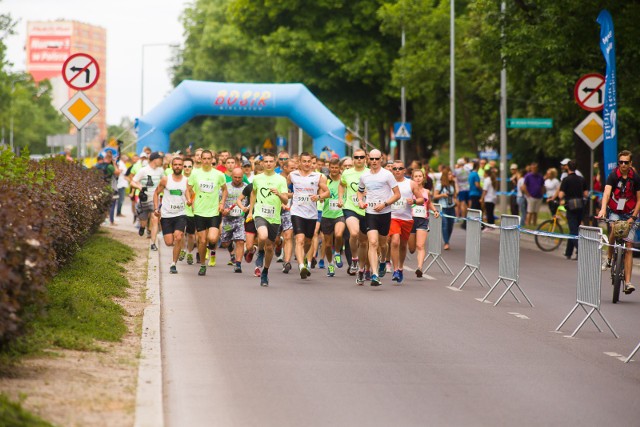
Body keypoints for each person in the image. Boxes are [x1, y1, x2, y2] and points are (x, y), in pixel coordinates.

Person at [597, 150, 640, 295]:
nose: (623, 165)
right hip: (615, 211)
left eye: (626, 162)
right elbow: (607, 193)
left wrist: (633, 218)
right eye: (620, 162)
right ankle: (609, 258)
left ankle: (627, 282)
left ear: (630, 163)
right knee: (615, 230)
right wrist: (603, 209)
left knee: (629, 245)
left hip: (630, 212)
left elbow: (639, 200)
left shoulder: (635, 178)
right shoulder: (613, 176)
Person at [356, 149, 401, 287]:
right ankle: (375, 274)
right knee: (373, 242)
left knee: (382, 244)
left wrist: (385, 204)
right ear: (368, 159)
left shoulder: (387, 175)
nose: (374, 162)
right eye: (372, 159)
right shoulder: (364, 176)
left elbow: (397, 194)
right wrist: (360, 202)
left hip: (384, 213)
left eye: (377, 159)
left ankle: (383, 262)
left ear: (381, 159)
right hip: (370, 213)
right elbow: (360, 191)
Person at [248, 153, 289, 287]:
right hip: (260, 213)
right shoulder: (257, 178)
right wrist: (250, 211)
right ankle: (260, 252)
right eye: (266, 161)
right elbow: (253, 193)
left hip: (274, 217)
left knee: (270, 247)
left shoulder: (281, 179)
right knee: (263, 235)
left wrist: (279, 194)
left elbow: (285, 199)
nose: (269, 164)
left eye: (271, 161)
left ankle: (265, 272)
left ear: (275, 163)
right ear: (262, 163)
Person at [186, 149, 228, 276]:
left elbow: (225, 190)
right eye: (203, 158)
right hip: (199, 210)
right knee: (202, 241)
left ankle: (211, 250)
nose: (206, 161)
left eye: (208, 159)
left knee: (212, 238)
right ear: (200, 159)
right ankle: (203, 264)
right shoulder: (195, 173)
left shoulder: (219, 174)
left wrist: (222, 203)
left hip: (214, 211)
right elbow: (188, 189)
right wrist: (189, 200)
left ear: (212, 160)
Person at [288, 152, 329, 280]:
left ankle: (304, 258)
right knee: (299, 239)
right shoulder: (292, 175)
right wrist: (285, 198)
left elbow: (327, 192)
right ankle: (301, 266)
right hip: (297, 211)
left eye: (309, 161)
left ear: (312, 163)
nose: (306, 164)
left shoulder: (318, 176)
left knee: (308, 241)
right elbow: (286, 190)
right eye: (304, 161)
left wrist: (319, 196)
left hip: (311, 214)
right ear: (299, 162)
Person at [389, 159, 425, 283]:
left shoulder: (411, 184)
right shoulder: (387, 183)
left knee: (403, 245)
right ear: (391, 170)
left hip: (407, 219)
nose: (397, 171)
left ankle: (400, 268)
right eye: (395, 169)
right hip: (393, 217)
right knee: (395, 241)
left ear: (404, 170)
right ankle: (395, 270)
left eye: (400, 168)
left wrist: (413, 201)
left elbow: (421, 199)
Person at [338, 148, 369, 282]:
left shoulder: (370, 173)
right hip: (350, 207)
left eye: (361, 157)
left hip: (367, 209)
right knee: (354, 233)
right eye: (356, 157)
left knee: (364, 242)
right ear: (353, 158)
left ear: (365, 158)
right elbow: (341, 185)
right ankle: (354, 259)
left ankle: (362, 269)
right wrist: (340, 198)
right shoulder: (347, 173)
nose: (359, 160)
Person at [153, 157, 187, 274]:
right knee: (168, 242)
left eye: (180, 165)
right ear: (172, 166)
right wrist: (156, 208)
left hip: (181, 214)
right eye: (175, 164)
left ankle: (173, 264)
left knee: (178, 237)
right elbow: (156, 193)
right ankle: (179, 247)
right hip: (167, 215)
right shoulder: (165, 180)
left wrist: (190, 201)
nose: (177, 166)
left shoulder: (186, 181)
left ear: (182, 166)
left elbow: (191, 195)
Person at [408, 169, 439, 277]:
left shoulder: (427, 191)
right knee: (411, 249)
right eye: (415, 176)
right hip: (410, 220)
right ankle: (418, 264)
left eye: (420, 176)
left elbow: (428, 203)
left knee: (420, 245)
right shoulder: (408, 190)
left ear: (423, 178)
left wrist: (435, 211)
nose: (418, 178)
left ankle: (419, 268)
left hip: (423, 220)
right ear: (412, 178)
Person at [131, 152, 165, 250]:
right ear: (155, 159)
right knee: (143, 221)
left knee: (155, 220)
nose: (162, 161)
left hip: (155, 200)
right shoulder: (143, 170)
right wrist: (139, 186)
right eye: (160, 159)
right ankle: (142, 227)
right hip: (144, 200)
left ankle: (153, 243)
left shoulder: (161, 170)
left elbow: (164, 182)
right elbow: (132, 181)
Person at [320, 158, 346, 277]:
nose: (334, 170)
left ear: (340, 169)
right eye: (332, 168)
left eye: (336, 168)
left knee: (339, 234)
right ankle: (330, 264)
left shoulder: (343, 180)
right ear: (329, 168)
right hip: (327, 214)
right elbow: (321, 194)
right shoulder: (325, 180)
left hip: (340, 213)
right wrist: (320, 196)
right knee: (328, 243)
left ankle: (337, 253)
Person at [558, 160, 588, 260]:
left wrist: (561, 198)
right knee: (576, 228)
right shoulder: (581, 179)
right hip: (580, 206)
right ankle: (568, 252)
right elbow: (586, 194)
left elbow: (561, 194)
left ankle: (580, 250)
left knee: (572, 230)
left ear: (568, 168)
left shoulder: (566, 180)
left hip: (570, 206)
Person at [220, 168, 247, 273]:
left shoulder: (246, 188)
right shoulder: (225, 187)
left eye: (239, 177)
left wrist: (247, 208)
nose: (237, 179)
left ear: (242, 177)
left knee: (240, 241)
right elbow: (219, 201)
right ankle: (230, 244)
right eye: (235, 177)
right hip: (227, 219)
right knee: (225, 243)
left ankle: (238, 264)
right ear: (231, 176)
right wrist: (222, 209)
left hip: (240, 219)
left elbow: (252, 201)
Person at [434, 166, 457, 250]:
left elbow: (455, 195)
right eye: (449, 174)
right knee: (445, 224)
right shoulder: (440, 185)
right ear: (445, 176)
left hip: (451, 207)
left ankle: (447, 240)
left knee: (451, 225)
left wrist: (456, 183)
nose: (451, 176)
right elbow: (435, 196)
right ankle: (446, 243)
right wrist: (442, 195)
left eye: (451, 174)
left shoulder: (452, 184)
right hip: (443, 207)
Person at [180, 158, 197, 265]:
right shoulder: (178, 178)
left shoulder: (196, 178)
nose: (187, 168)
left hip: (192, 211)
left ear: (192, 167)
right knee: (180, 233)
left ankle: (190, 252)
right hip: (180, 210)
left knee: (191, 235)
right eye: (185, 166)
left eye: (189, 166)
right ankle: (182, 250)